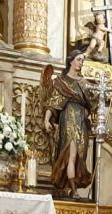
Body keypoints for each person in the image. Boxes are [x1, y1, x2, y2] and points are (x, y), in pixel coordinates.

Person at [42, 49, 93, 198]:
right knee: (71, 155)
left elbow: (92, 102)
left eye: (82, 60)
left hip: (81, 123)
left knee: (79, 157)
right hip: (69, 120)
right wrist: (46, 119)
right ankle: (73, 190)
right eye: (78, 59)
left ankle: (71, 189)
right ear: (71, 61)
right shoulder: (61, 82)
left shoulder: (83, 83)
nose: (81, 63)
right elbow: (53, 102)